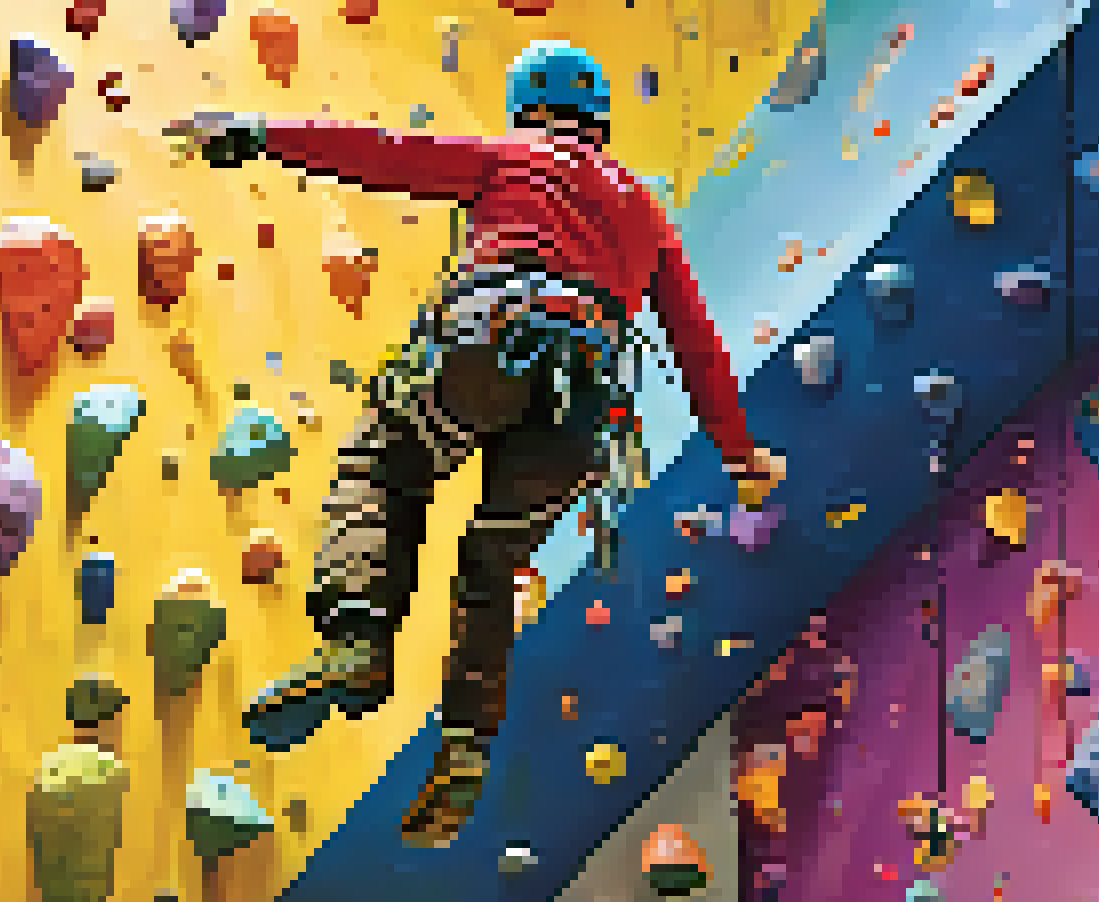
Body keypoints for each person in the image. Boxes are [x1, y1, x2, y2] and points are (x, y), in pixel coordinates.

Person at [167, 40, 782, 847]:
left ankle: (360, 635)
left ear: (527, 108)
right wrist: (741, 455)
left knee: (383, 468)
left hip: (486, 345)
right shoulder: (646, 214)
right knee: (491, 566)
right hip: (579, 403)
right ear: (599, 119)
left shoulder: (514, 159)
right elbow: (697, 345)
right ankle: (466, 744)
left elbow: (382, 155)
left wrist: (255, 132)